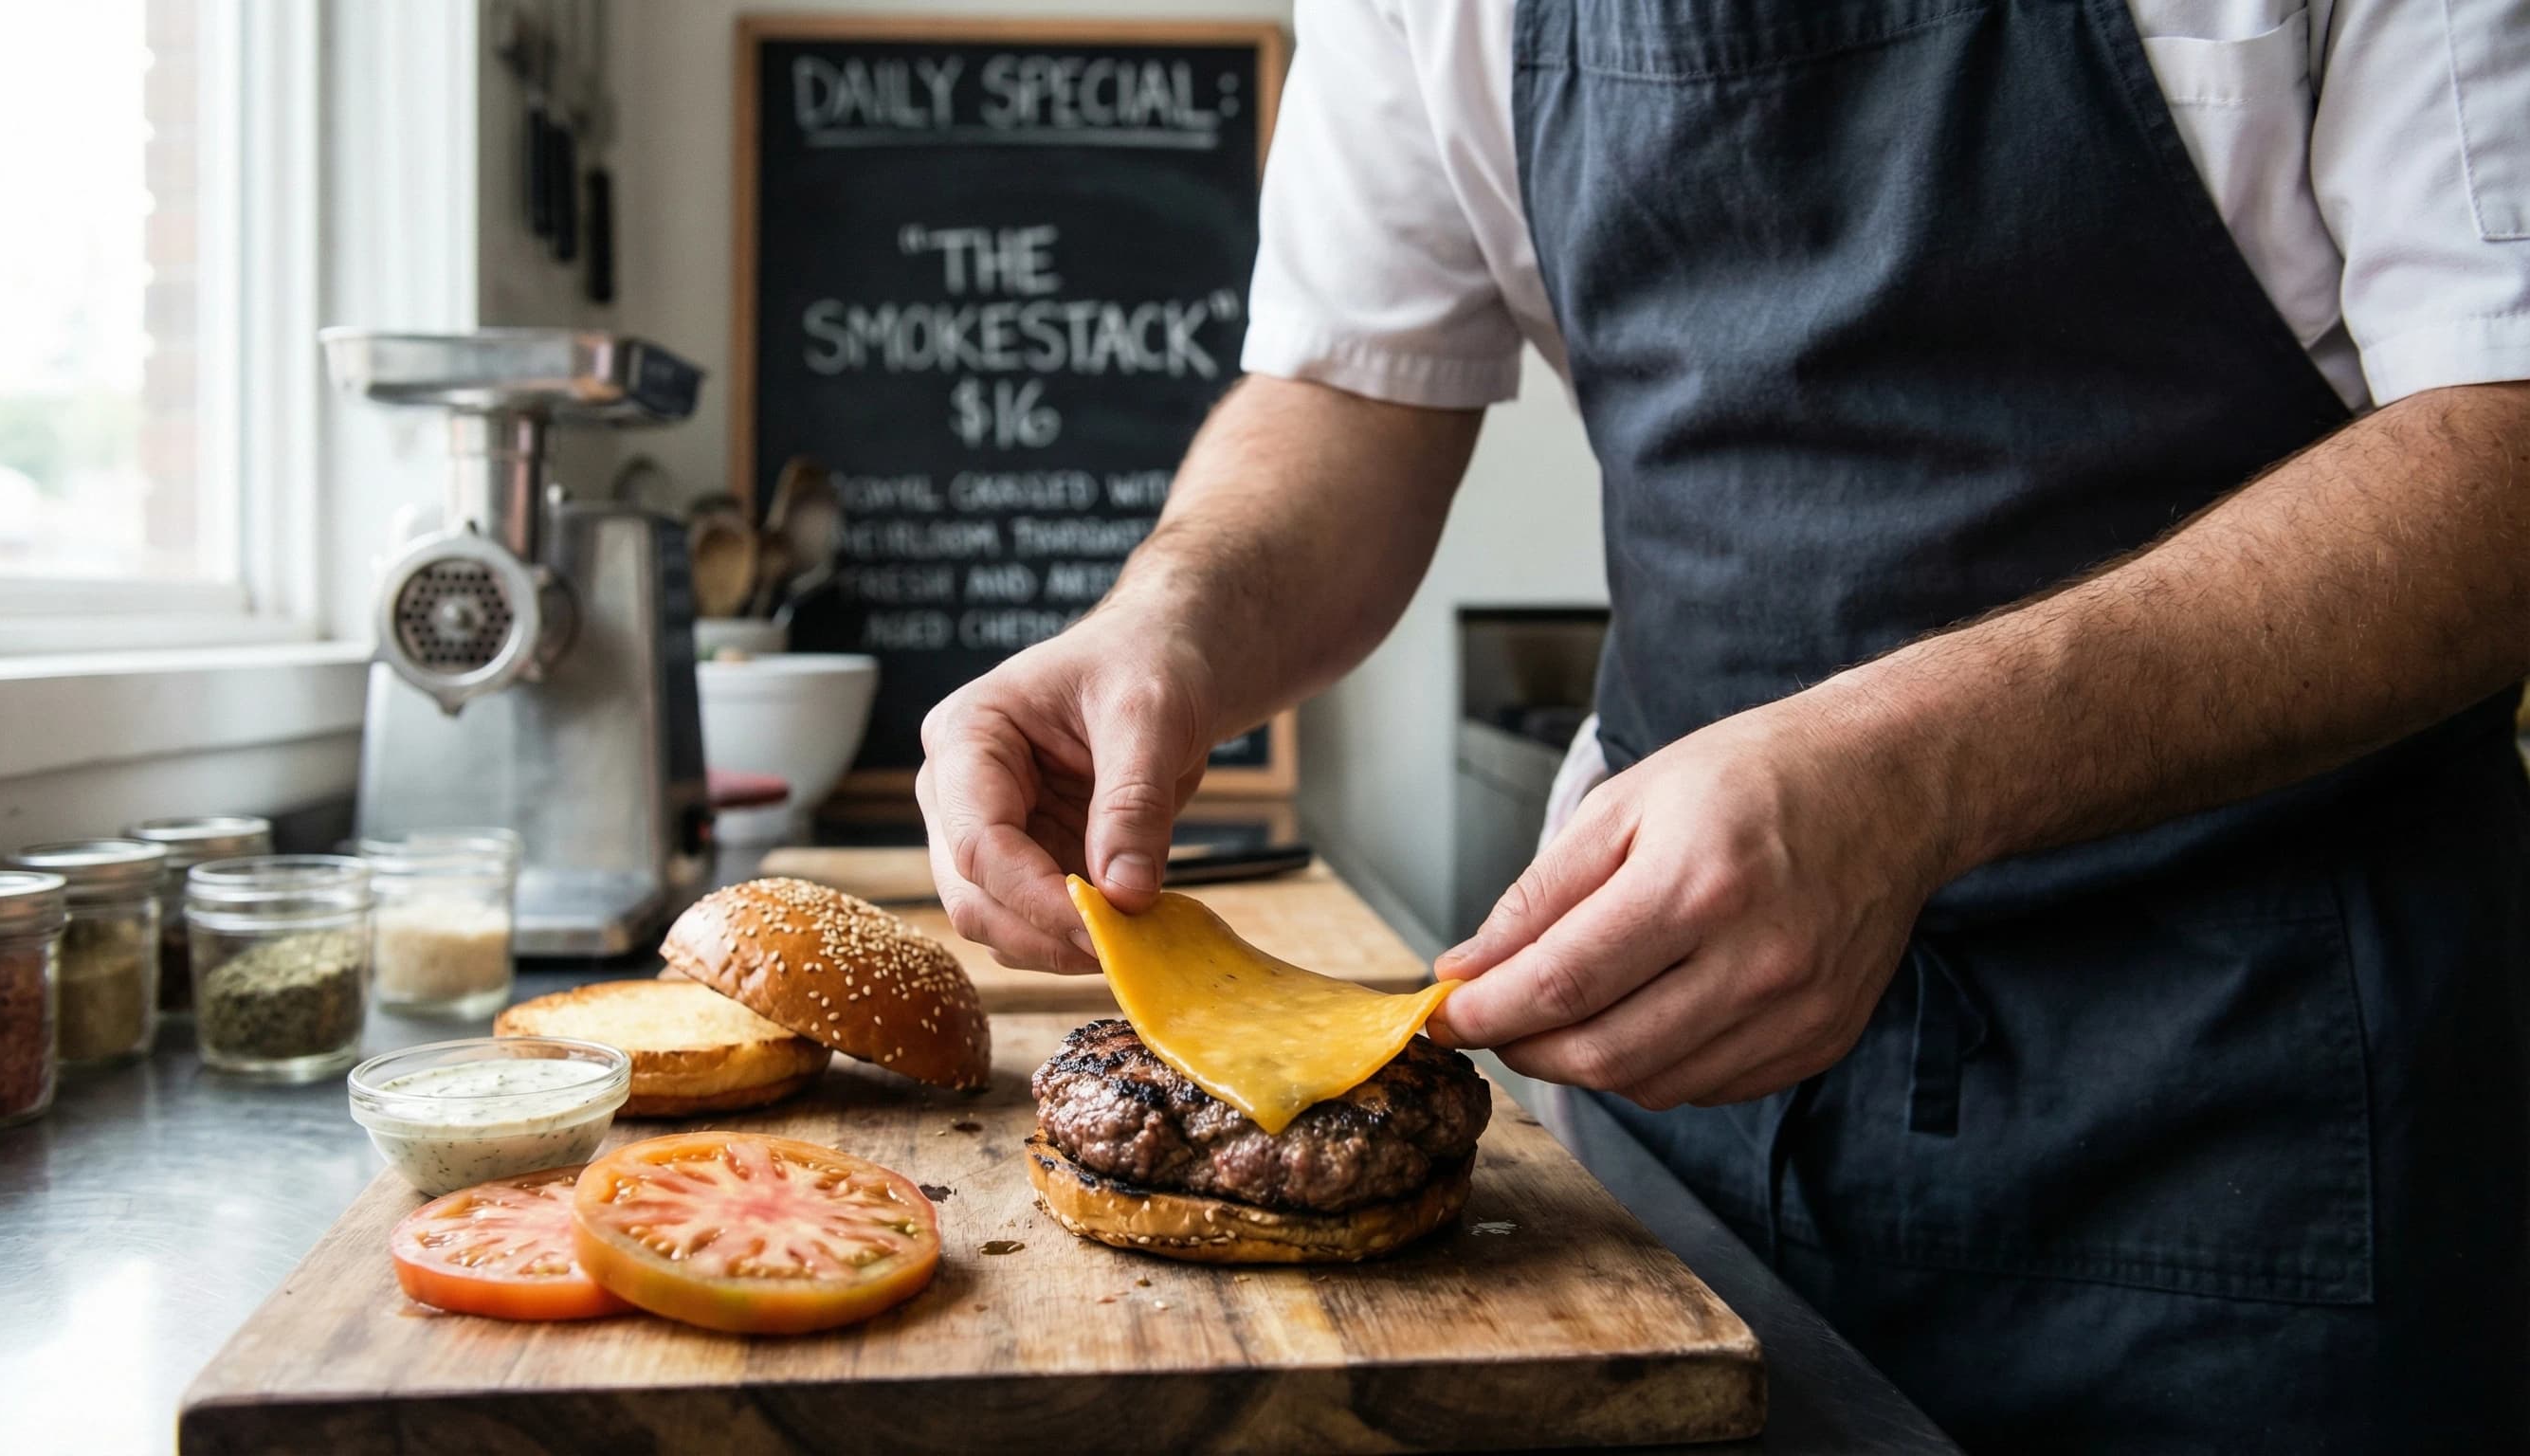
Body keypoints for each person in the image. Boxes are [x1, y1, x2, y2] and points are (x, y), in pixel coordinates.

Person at [915, 1, 2530, 1447]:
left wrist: (1918, 766)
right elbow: (1353, 394)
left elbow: (2501, 438)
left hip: (2261, 1105)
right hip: (1665, 1120)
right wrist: (1165, 624)